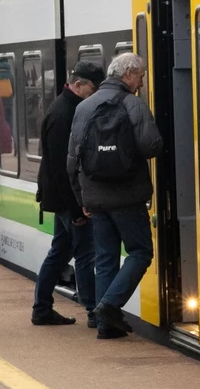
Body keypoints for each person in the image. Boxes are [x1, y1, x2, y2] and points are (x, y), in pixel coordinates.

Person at [67, 53, 163, 339]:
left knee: (106, 257)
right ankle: (109, 305)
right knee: (141, 251)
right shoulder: (133, 105)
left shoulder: (84, 107)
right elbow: (152, 146)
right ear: (130, 74)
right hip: (127, 196)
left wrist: (81, 197)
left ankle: (104, 326)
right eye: (141, 76)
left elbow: (72, 159)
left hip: (95, 197)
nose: (142, 82)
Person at [34, 62, 105, 328]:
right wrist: (77, 209)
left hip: (59, 197)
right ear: (79, 85)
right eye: (93, 89)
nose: (95, 94)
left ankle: (41, 308)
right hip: (67, 200)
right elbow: (62, 169)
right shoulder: (64, 114)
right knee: (86, 254)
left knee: (59, 251)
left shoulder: (64, 108)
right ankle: (93, 310)